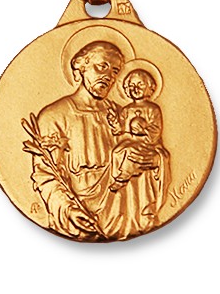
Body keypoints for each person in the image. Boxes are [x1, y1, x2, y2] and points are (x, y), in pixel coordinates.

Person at [30, 41, 169, 241]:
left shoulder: (120, 115)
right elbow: (46, 175)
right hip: (80, 215)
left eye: (115, 71)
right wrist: (69, 209)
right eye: (102, 66)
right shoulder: (55, 116)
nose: (108, 76)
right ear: (81, 66)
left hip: (126, 215)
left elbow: (156, 150)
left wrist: (154, 161)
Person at [107, 69, 169, 192]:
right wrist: (115, 122)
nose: (135, 88)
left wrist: (144, 128)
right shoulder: (126, 110)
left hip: (148, 143)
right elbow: (120, 129)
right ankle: (117, 175)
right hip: (130, 141)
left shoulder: (153, 109)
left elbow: (156, 130)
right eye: (131, 85)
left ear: (150, 88)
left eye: (140, 84)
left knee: (131, 152)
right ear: (127, 89)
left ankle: (123, 177)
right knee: (116, 153)